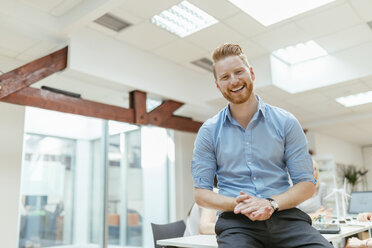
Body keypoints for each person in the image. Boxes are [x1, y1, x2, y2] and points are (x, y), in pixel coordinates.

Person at [191, 43, 333, 248]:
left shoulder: (286, 122)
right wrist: (244, 206)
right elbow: (201, 194)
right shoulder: (208, 131)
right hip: (236, 224)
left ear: (251, 73)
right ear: (218, 85)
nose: (234, 81)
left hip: (286, 216)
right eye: (225, 77)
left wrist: (269, 204)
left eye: (239, 72)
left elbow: (307, 185)